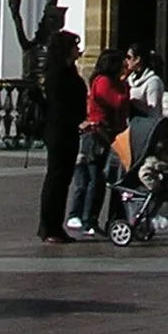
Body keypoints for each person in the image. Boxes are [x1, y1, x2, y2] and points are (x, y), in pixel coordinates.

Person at [67, 46, 128, 238]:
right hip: (97, 135)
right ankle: (88, 220)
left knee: (97, 178)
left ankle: (90, 218)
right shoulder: (103, 82)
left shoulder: (108, 81)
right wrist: (126, 87)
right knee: (95, 179)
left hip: (107, 134)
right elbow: (117, 101)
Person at [38, 32, 87, 243]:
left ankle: (53, 226)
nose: (78, 50)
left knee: (61, 179)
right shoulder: (59, 74)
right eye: (75, 46)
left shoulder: (66, 71)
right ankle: (50, 227)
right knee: (57, 179)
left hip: (66, 130)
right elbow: (61, 106)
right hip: (61, 132)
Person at [124, 44, 164, 115]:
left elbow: (153, 111)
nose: (126, 60)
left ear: (137, 59)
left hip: (144, 123)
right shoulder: (129, 79)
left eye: (129, 57)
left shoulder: (153, 81)